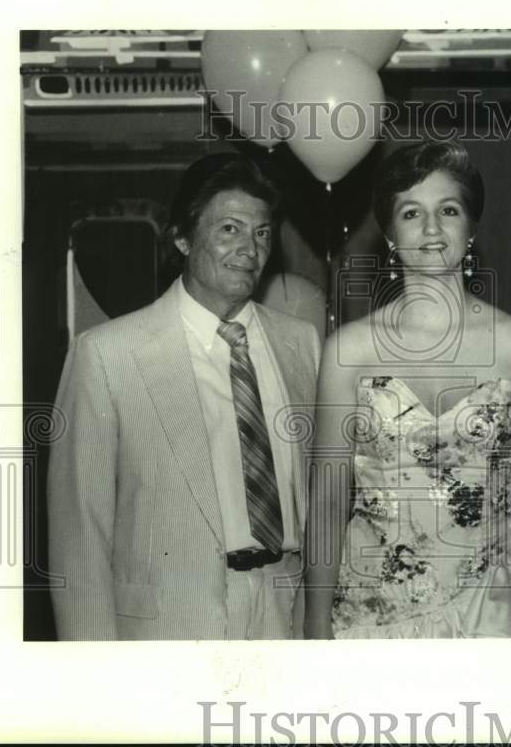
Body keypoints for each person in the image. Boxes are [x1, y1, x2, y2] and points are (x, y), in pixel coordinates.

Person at [48, 152, 320, 640]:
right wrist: (87, 682)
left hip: (284, 620)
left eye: (261, 232)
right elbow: (79, 538)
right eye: (229, 229)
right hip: (165, 633)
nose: (250, 248)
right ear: (181, 238)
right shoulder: (107, 355)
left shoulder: (302, 344)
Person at [303, 141, 511, 638]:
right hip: (375, 620)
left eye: (449, 210)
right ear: (391, 234)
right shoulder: (348, 351)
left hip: (493, 616)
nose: (432, 229)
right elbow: (327, 503)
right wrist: (314, 626)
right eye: (412, 212)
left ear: (471, 227)